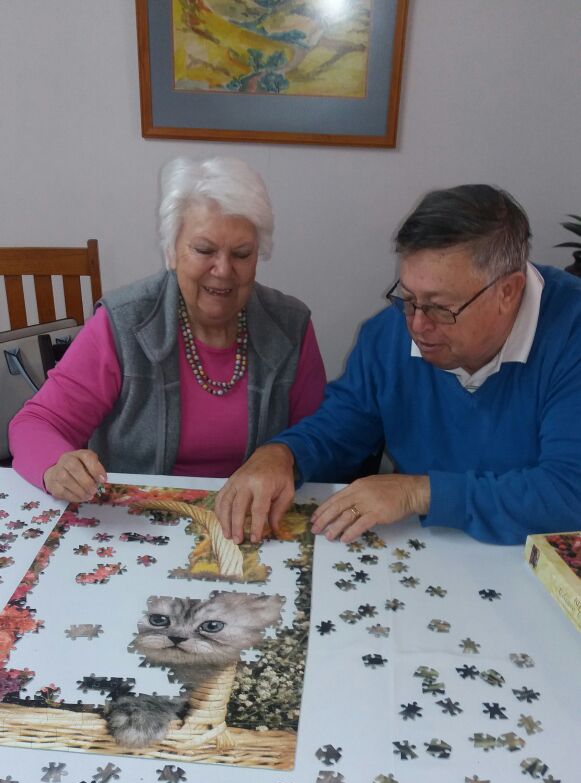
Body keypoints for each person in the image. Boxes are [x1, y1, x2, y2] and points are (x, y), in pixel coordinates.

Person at [214, 184, 581, 547]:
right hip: (426, 548)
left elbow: (569, 493)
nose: (417, 325)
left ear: (508, 292)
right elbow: (343, 426)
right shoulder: (388, 334)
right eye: (408, 298)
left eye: (440, 307)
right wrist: (284, 454)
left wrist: (417, 494)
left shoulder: (571, 334)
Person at [9, 157, 326, 502]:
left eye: (241, 254)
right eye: (204, 249)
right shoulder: (123, 323)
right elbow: (35, 423)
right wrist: (57, 467)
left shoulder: (290, 326)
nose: (223, 270)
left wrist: (287, 455)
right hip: (140, 518)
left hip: (254, 519)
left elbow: (323, 438)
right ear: (171, 251)